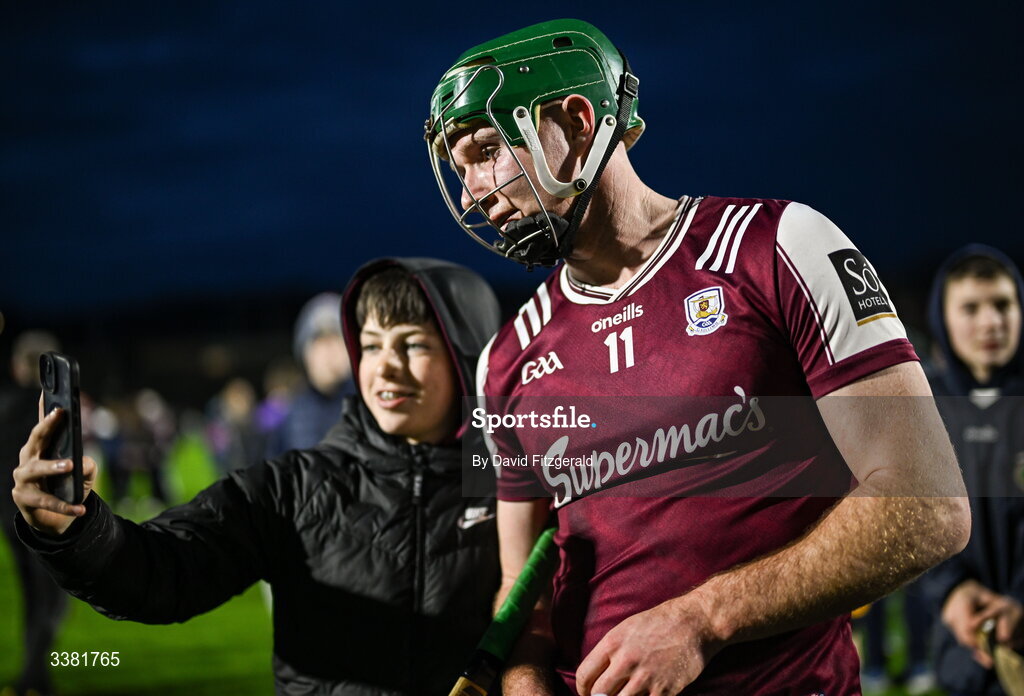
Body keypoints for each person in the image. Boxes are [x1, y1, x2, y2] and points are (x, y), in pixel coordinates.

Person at [424, 18, 971, 696]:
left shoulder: (778, 248)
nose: (474, 188)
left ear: (577, 120)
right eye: (460, 168)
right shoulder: (508, 357)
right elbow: (523, 589)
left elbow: (928, 507)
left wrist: (704, 618)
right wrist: (526, 678)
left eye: (485, 150)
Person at [12, 258, 502, 695]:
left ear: (469, 355)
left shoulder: (514, 483)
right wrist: (77, 531)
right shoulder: (297, 485)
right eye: (371, 345)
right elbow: (168, 568)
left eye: (412, 343)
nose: (386, 367)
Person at [923, 245, 1024, 696]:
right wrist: (951, 594)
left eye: (1003, 304)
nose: (990, 322)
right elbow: (911, 519)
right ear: (942, 318)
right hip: (961, 656)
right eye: (970, 307)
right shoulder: (922, 408)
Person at [0, 331, 67, 696]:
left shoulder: (5, 405)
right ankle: (33, 677)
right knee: (54, 600)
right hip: (45, 519)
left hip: (9, 519)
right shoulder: (54, 410)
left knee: (32, 598)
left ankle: (35, 677)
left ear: (17, 365)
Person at [278, 292, 357, 453]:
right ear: (304, 354)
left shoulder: (369, 407)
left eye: (336, 339)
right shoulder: (290, 418)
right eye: (320, 341)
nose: (329, 351)